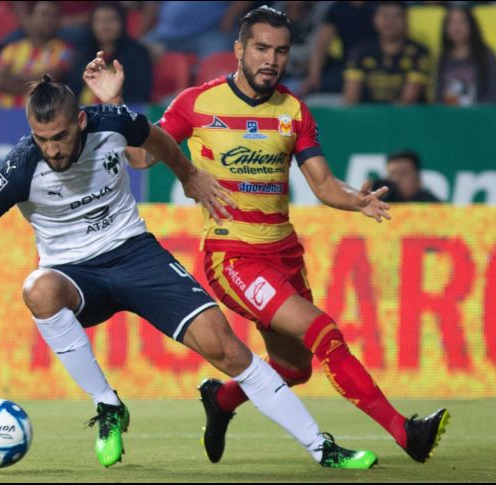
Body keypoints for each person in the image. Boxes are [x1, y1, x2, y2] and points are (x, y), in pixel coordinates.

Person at [0, 75, 378, 470]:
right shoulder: (21, 168)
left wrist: (187, 174)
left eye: (60, 136)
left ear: (80, 120)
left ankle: (321, 447)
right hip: (74, 274)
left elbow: (155, 137)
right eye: (42, 140)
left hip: (136, 255)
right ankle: (108, 405)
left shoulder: (112, 123)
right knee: (37, 290)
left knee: (224, 347)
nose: (53, 150)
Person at [83, 5, 449, 465]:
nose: (270, 60)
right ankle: (405, 433)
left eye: (280, 51)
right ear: (239, 50)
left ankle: (221, 401)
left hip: (284, 253)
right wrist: (113, 105)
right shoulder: (196, 103)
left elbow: (322, 184)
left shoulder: (293, 110)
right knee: (324, 331)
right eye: (260, 48)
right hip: (233, 258)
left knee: (295, 370)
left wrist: (353, 200)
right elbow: (139, 159)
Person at [343, 1, 430, 105]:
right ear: (375, 19)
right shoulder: (360, 51)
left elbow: (408, 99)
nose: (390, 22)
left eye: (396, 16)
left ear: (406, 20)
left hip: (404, 118)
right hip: (367, 117)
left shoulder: (419, 52)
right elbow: (351, 98)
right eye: (385, 16)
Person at [0, 1, 73, 108]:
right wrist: (34, 83)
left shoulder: (64, 50)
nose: (48, 20)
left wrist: (15, 77)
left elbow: (48, 79)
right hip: (8, 115)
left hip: (42, 117)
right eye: (44, 14)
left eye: (54, 16)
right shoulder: (12, 49)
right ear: (31, 18)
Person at [67, 3, 152, 105]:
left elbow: (139, 95)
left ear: (122, 23)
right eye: (99, 20)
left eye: (111, 20)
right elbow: (72, 93)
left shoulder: (137, 53)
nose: (105, 25)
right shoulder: (83, 53)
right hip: (83, 115)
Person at [300, 1, 377, 96]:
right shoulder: (338, 8)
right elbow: (322, 43)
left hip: (378, 68)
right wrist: (314, 76)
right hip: (344, 67)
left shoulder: (380, 5)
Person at [435, 6, 496, 106]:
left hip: (479, 117)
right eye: (451, 22)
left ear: (471, 25)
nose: (456, 27)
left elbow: (493, 95)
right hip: (449, 118)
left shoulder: (486, 56)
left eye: (461, 21)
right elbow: (438, 95)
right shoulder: (443, 58)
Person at [374, 150, 441, 203]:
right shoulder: (381, 204)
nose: (396, 179)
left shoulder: (433, 206)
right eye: (392, 173)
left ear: (418, 178)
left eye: (403, 173)